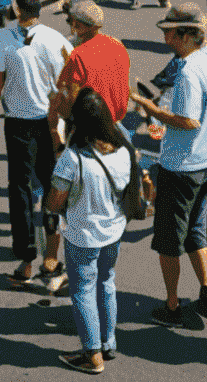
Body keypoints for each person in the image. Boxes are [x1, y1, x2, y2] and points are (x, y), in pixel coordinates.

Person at [131, 4, 207, 330]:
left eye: (169, 30)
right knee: (197, 233)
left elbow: (187, 121)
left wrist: (149, 108)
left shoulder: (186, 72)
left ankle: (172, 305)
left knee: (170, 242)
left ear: (186, 34)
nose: (165, 35)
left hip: (182, 166)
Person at [44, 88, 138, 374]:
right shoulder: (124, 149)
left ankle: (92, 355)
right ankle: (108, 343)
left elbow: (53, 202)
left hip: (83, 235)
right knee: (106, 282)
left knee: (83, 291)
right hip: (113, 231)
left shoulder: (74, 158)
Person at [0, 0, 73, 290]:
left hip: (17, 124)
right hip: (49, 123)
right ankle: (52, 257)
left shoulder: (0, 38)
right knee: (53, 186)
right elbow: (68, 78)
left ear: (17, 10)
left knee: (21, 190)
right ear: (39, 10)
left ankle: (26, 260)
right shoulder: (55, 38)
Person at [50, 0, 129, 133]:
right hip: (115, 122)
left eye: (71, 22)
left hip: (88, 127)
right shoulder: (118, 45)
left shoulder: (78, 56)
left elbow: (68, 98)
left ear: (78, 24)